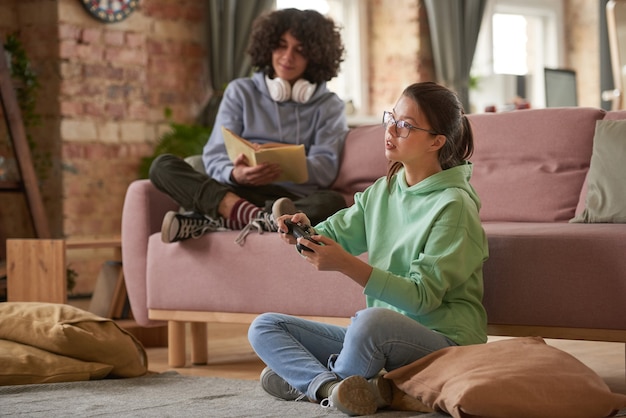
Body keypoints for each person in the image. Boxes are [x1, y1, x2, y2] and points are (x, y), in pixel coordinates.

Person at [247, 82, 489, 416]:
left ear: (437, 141)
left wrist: (347, 265)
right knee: (265, 326)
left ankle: (313, 382)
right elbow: (335, 234)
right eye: (392, 117)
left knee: (370, 323)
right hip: (383, 337)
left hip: (445, 342)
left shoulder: (454, 205)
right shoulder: (384, 191)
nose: (390, 129)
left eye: (405, 125)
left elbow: (423, 298)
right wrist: (303, 235)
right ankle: (333, 388)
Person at [149, 8, 349, 244]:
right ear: (268, 46)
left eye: (300, 50)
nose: (287, 57)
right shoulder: (240, 92)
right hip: (236, 190)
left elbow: (325, 168)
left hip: (288, 199)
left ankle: (218, 219)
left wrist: (281, 161)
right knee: (162, 166)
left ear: (316, 56)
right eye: (281, 45)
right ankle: (255, 217)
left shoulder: (330, 105)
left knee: (332, 202)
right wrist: (236, 174)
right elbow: (214, 156)